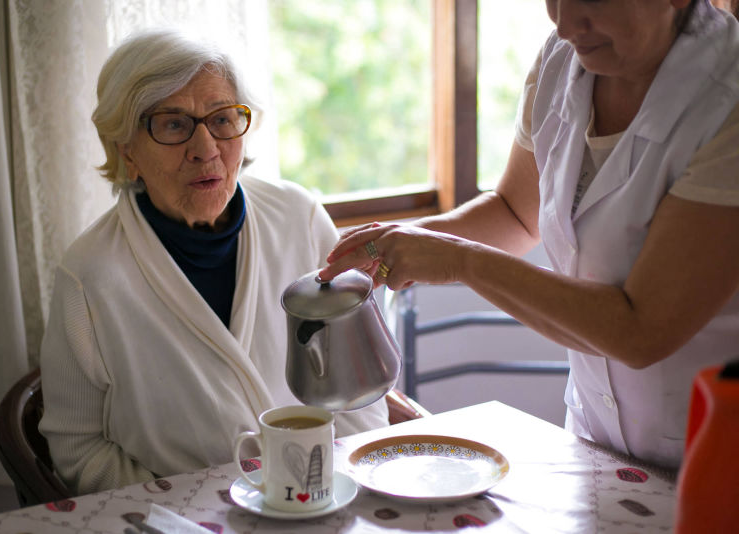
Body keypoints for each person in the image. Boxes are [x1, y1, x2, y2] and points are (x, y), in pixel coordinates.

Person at [320, 0, 739, 470]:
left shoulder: (729, 102)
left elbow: (640, 331)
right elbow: (516, 214)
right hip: (595, 443)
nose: (563, 21)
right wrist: (399, 242)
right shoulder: (562, 61)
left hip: (713, 458)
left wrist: (459, 260)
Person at [38, 29, 389, 495]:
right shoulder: (91, 274)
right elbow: (77, 448)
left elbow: (359, 396)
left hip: (318, 497)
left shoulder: (298, 219)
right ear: (126, 147)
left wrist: (328, 491)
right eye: (173, 124)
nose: (206, 149)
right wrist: (192, 511)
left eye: (222, 119)